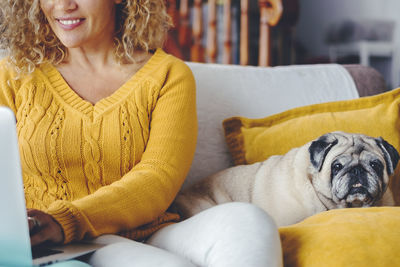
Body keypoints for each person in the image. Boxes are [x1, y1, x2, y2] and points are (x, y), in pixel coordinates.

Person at [0, 0, 283, 266]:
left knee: (249, 221)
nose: (63, 5)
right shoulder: (14, 75)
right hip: (55, 245)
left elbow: (158, 176)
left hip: (150, 233)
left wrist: (69, 219)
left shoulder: (167, 75)